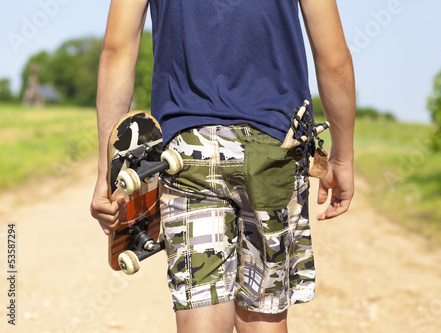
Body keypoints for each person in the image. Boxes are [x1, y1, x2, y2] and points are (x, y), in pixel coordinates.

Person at [90, 0, 355, 332]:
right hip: (274, 148)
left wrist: (109, 169)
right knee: (264, 316)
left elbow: (117, 49)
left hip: (187, 152)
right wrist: (342, 156)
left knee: (200, 305)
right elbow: (333, 59)